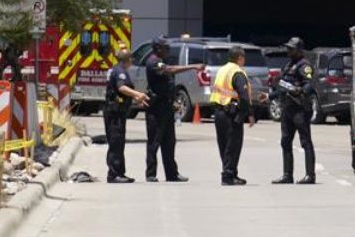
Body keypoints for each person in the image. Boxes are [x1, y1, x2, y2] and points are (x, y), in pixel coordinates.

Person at [143, 36, 203, 183]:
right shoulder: (153, 62)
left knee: (169, 142)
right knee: (154, 142)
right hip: (156, 109)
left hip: (166, 107)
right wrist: (193, 66)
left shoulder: (161, 61)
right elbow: (171, 70)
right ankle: (151, 174)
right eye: (165, 48)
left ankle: (172, 174)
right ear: (158, 48)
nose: (168, 50)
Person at [271, 37, 317, 185]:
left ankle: (310, 175)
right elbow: (282, 87)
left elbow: (309, 84)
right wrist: (269, 96)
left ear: (299, 50)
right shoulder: (288, 65)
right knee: (285, 142)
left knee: (305, 142)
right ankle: (287, 175)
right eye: (288, 48)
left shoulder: (305, 66)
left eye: (291, 48)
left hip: (300, 109)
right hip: (287, 109)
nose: (288, 50)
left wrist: (300, 90)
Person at [210, 46, 254, 186]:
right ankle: (228, 175)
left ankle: (230, 172)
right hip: (231, 113)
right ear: (239, 58)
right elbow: (244, 97)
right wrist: (245, 115)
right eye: (243, 58)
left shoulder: (222, 70)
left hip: (219, 112)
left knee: (223, 145)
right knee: (233, 145)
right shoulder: (238, 73)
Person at [104, 47, 148, 184]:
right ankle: (114, 174)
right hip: (114, 112)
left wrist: (135, 100)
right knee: (116, 142)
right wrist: (138, 94)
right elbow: (121, 88)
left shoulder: (117, 69)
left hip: (118, 111)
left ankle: (119, 172)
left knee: (119, 142)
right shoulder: (120, 71)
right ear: (128, 60)